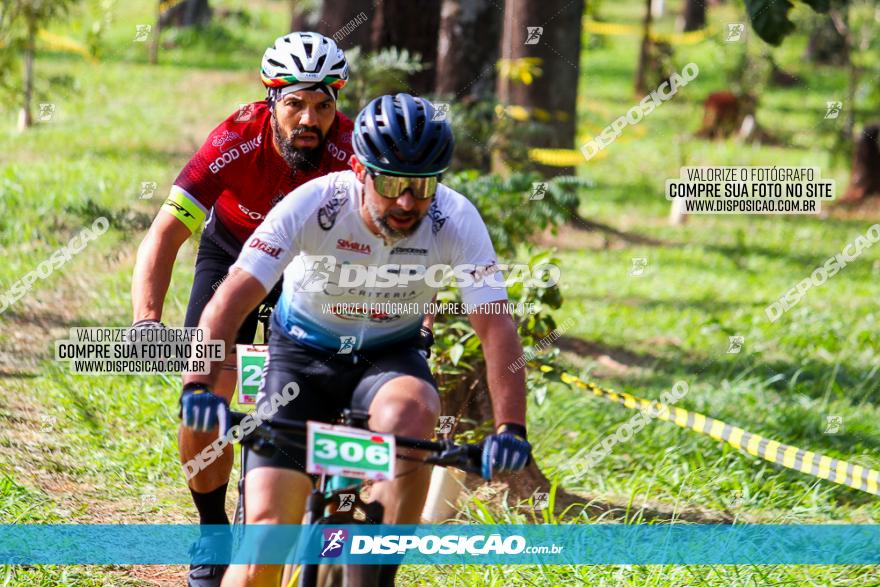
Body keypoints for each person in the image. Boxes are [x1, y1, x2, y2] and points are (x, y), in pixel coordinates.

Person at [182, 93, 532, 587]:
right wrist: (197, 385)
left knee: (416, 413)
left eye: (422, 185)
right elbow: (229, 300)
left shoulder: (454, 217)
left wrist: (510, 427)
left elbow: (496, 326)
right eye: (391, 183)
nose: (408, 201)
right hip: (300, 359)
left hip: (388, 360)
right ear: (360, 170)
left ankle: (375, 570)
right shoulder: (317, 201)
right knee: (264, 548)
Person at [130, 31, 355, 587]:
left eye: (323, 105)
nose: (309, 118)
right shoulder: (233, 139)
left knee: (299, 398)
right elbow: (163, 236)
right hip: (231, 253)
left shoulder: (348, 150)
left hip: (304, 269)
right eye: (295, 103)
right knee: (200, 398)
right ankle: (213, 532)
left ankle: (282, 507)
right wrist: (146, 321)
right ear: (269, 101)